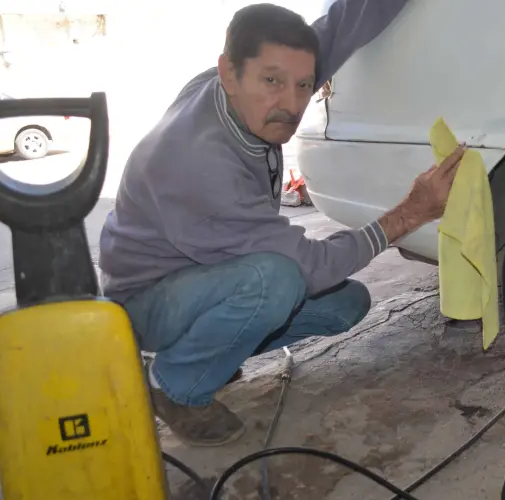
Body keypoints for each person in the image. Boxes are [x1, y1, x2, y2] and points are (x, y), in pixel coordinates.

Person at [97, 1, 467, 447]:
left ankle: (205, 351)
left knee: (345, 304)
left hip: (202, 276)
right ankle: (173, 386)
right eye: (272, 81)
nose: (291, 105)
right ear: (228, 73)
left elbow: (343, 23)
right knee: (276, 280)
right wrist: (411, 212)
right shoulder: (198, 165)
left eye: (304, 85)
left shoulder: (248, 90)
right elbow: (309, 265)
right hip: (146, 302)